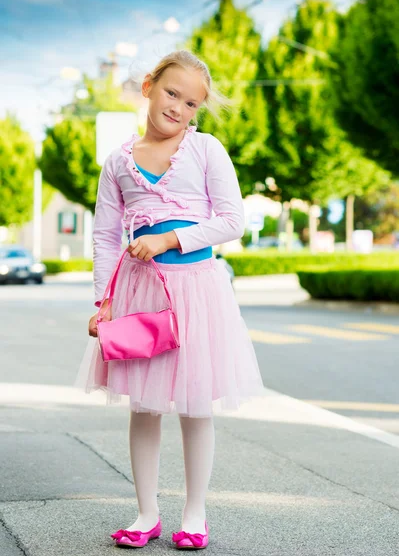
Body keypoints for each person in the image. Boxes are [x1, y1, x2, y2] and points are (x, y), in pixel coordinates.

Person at [74, 49, 264, 550]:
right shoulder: (117, 162)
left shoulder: (206, 151)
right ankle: (145, 513)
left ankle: (195, 514)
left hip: (197, 291)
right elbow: (105, 236)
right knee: (145, 406)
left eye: (191, 103)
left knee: (195, 406)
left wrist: (168, 239)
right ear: (149, 88)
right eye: (172, 93)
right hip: (140, 293)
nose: (179, 107)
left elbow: (231, 220)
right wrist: (102, 302)